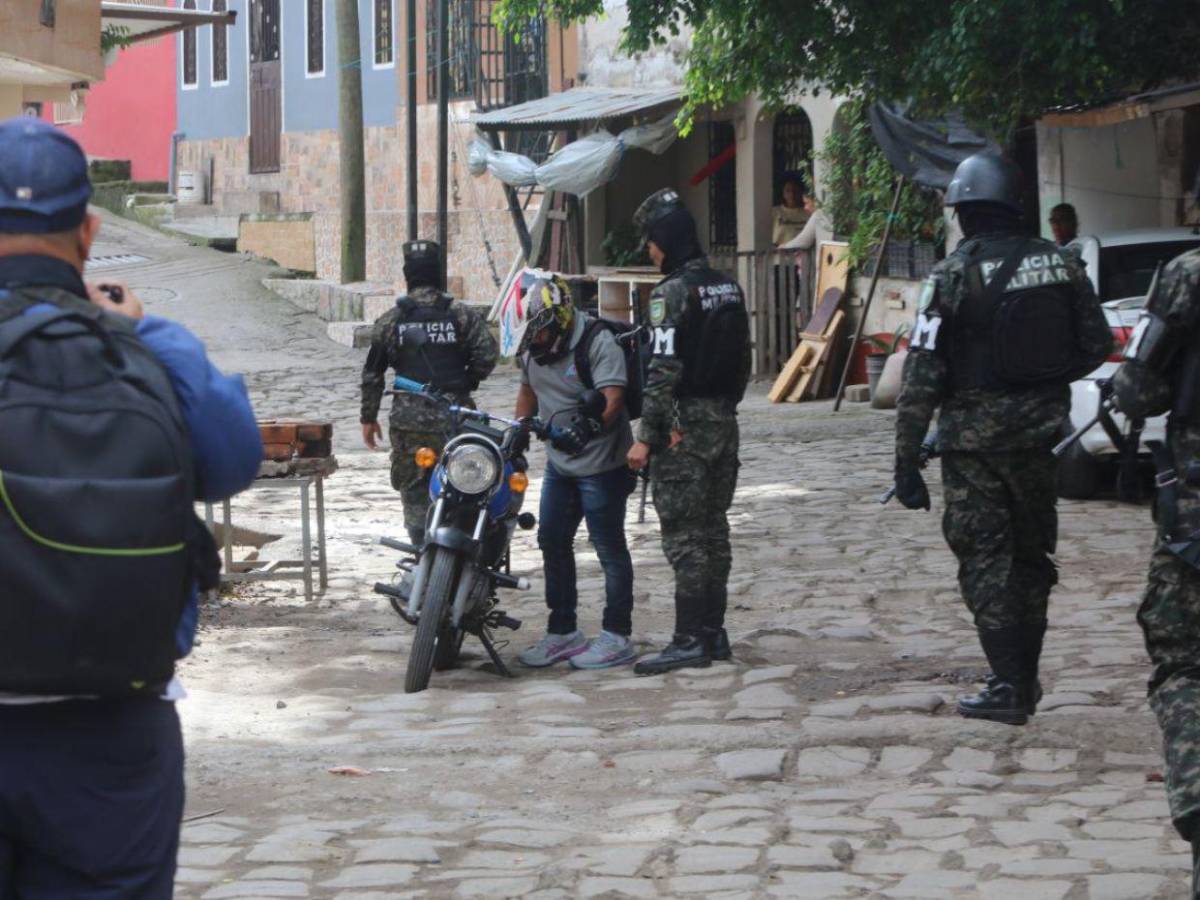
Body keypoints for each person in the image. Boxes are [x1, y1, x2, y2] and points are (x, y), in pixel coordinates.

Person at [0, 118, 262, 898]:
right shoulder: (141, 354)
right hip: (112, 738)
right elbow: (232, 459)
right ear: (89, 229)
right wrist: (150, 329)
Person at [892, 151, 1111, 725]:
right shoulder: (1062, 265)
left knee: (986, 561)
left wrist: (905, 461)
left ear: (964, 212)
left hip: (973, 450)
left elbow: (921, 376)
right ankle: (1025, 676)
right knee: (1030, 556)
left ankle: (1009, 685)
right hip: (1040, 443)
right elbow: (1095, 345)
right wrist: (1038, 384)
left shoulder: (951, 276)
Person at [627, 188, 751, 675]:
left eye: (651, 243)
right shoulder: (728, 287)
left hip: (682, 427)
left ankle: (687, 639)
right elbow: (744, 357)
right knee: (715, 530)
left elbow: (662, 371)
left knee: (684, 536)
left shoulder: (670, 294)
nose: (649, 252)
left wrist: (646, 435)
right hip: (723, 420)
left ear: (665, 240)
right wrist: (724, 408)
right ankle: (713, 632)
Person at [1110, 246, 1200, 889]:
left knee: (1184, 663)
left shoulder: (1188, 275)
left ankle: (1197, 790)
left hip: (1196, 524)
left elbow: (1138, 386)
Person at [513, 274, 638, 669]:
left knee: (608, 549)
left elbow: (613, 397)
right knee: (551, 540)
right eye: (532, 335)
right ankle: (562, 630)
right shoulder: (532, 350)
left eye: (543, 333)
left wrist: (586, 428)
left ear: (562, 321)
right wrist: (519, 428)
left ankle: (616, 636)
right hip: (559, 465)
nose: (538, 342)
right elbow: (528, 391)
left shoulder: (597, 343)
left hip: (602, 464)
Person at [360, 240, 498, 546]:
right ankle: (458, 545)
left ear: (408, 276)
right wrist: (466, 382)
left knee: (414, 489)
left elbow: (373, 373)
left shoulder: (391, 320)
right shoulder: (460, 314)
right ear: (439, 275)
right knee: (463, 481)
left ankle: (421, 550)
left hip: (409, 424)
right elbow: (487, 355)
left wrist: (368, 418)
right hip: (455, 418)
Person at [771, 178, 811, 248]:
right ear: (783, 193)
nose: (792, 194)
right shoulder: (775, 212)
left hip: (804, 255)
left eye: (795, 191)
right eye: (788, 190)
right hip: (780, 255)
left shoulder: (808, 212)